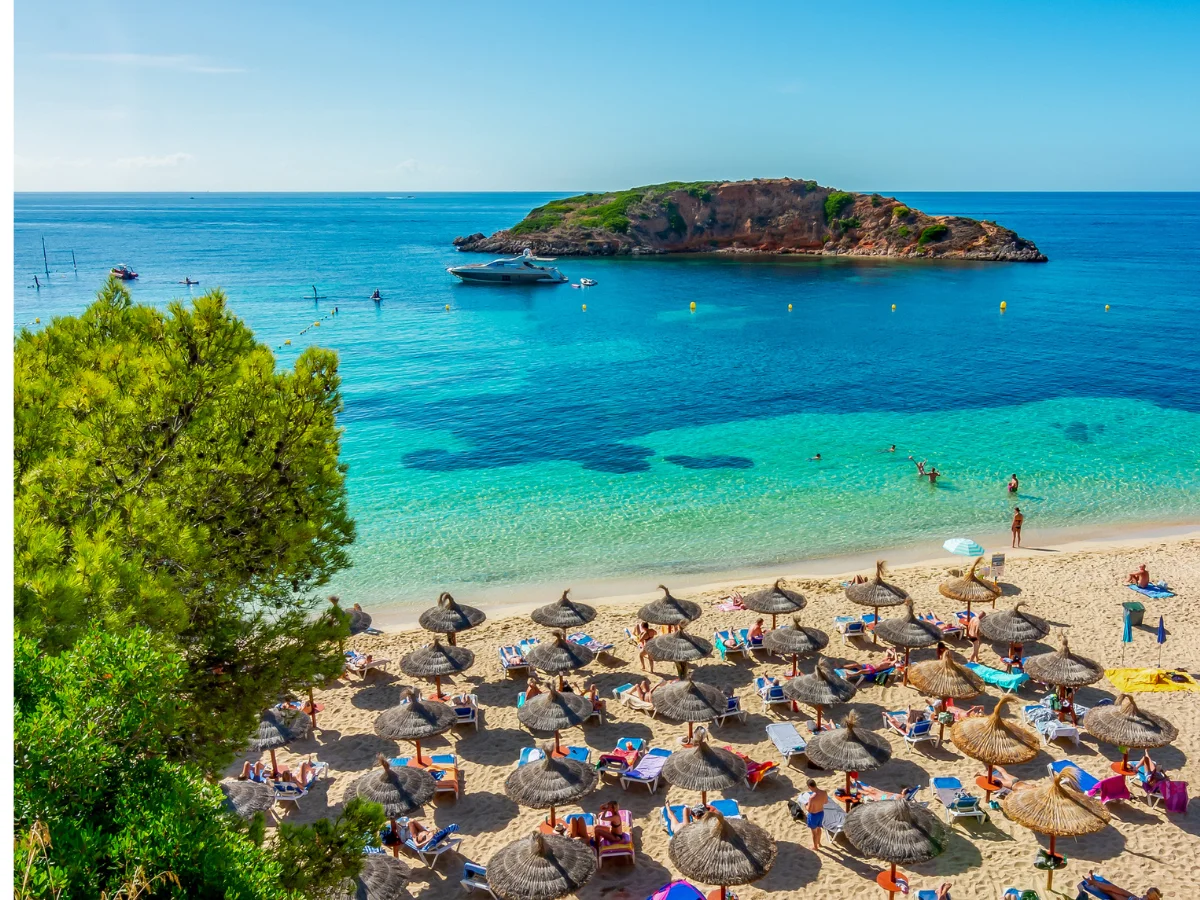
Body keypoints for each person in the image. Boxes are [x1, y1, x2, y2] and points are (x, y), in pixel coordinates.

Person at [1078, 872, 1162, 900]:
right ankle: (1094, 881)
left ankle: (1093, 883)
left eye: (1148, 893)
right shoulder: (1146, 897)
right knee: (1114, 888)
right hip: (1132, 897)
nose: (1146, 893)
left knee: (1112, 893)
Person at [803, 779, 828, 850]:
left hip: (813, 815)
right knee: (819, 828)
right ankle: (819, 843)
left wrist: (805, 805)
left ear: (809, 786)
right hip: (821, 813)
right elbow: (826, 802)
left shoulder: (811, 798)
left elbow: (809, 810)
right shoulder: (824, 792)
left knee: (814, 832)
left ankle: (815, 846)